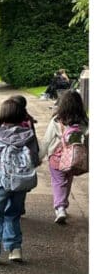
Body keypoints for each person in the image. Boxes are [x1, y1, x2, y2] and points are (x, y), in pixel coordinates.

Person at [0, 96, 40, 264]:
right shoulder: (29, 136)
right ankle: (15, 249)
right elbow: (34, 159)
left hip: (0, 182)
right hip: (21, 182)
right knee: (13, 214)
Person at [40, 88, 87, 224]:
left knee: (58, 182)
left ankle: (60, 208)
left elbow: (47, 140)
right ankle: (63, 203)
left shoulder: (57, 120)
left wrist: (39, 157)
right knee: (68, 180)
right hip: (75, 158)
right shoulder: (84, 122)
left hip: (57, 157)